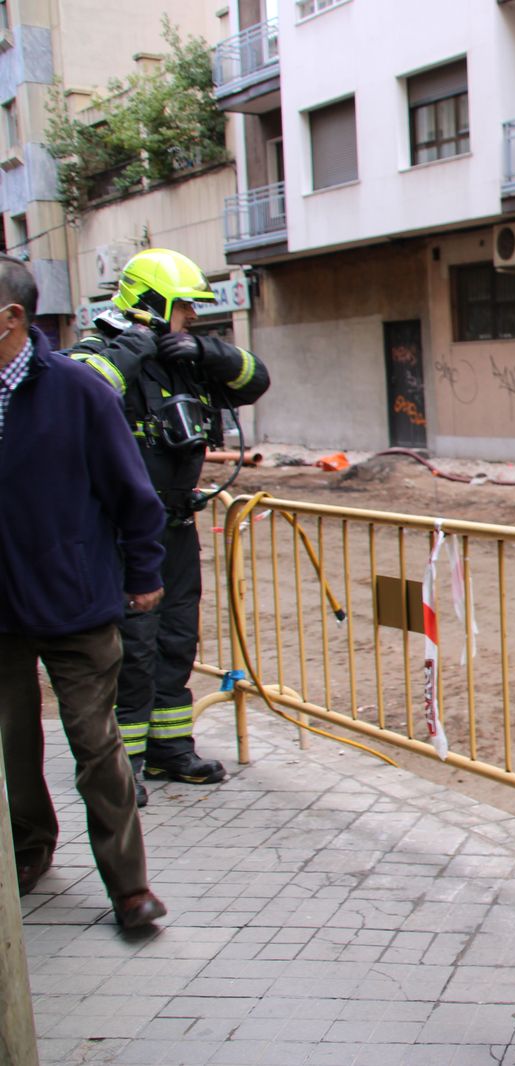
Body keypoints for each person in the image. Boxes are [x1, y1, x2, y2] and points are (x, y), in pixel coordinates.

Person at [0, 255, 169, 930]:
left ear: (13, 317)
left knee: (96, 747)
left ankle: (129, 888)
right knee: (13, 745)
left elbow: (134, 494)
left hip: (75, 604)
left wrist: (144, 573)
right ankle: (29, 851)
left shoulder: (78, 391)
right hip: (2, 612)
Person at [72, 249, 270, 805]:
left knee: (177, 638)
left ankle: (169, 748)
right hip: (121, 534)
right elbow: (85, 394)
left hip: (177, 526)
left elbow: (255, 380)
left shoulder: (185, 358)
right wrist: (137, 342)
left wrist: (207, 350)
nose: (193, 315)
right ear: (153, 304)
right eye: (185, 307)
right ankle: (122, 764)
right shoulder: (99, 351)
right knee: (132, 647)